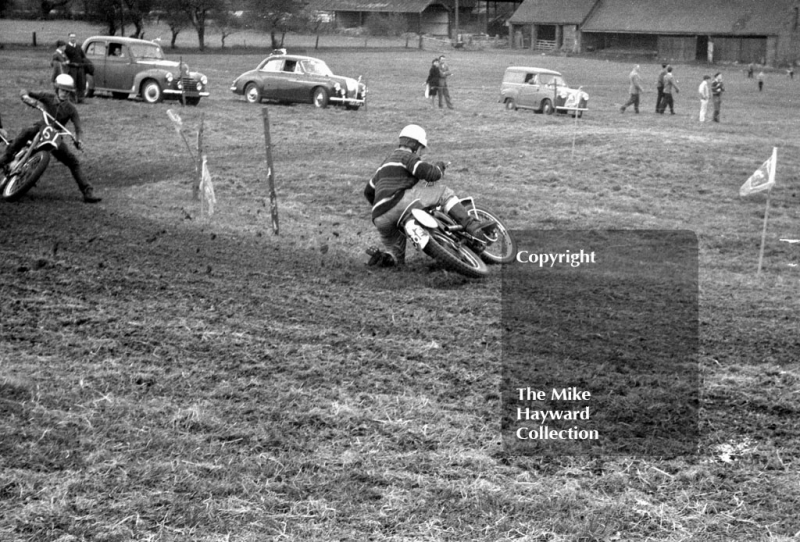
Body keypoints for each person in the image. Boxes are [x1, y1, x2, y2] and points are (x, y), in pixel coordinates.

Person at [364, 125, 492, 267]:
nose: (421, 152)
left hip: (380, 217)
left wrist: (384, 207)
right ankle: (472, 226)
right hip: (401, 202)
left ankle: (385, 259)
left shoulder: (384, 164)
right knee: (444, 192)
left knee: (395, 254)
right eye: (421, 148)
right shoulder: (407, 157)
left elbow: (368, 192)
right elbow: (431, 174)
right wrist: (439, 167)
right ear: (414, 145)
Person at [0, 75, 101, 203]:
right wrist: (26, 97)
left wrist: (78, 140)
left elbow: (78, 127)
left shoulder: (71, 109)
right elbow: (25, 91)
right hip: (40, 127)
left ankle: (87, 192)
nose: (65, 94)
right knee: (26, 131)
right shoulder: (48, 97)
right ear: (57, 89)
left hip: (54, 137)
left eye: (68, 92)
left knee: (73, 161)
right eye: (63, 90)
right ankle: (6, 157)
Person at [64, 33, 87, 103]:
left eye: (74, 37)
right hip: (72, 68)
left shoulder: (78, 47)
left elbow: (83, 56)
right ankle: (72, 99)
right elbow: (65, 58)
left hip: (80, 68)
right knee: (72, 83)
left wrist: (83, 64)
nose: (73, 39)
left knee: (81, 83)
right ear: (69, 38)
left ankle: (81, 99)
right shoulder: (66, 48)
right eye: (71, 37)